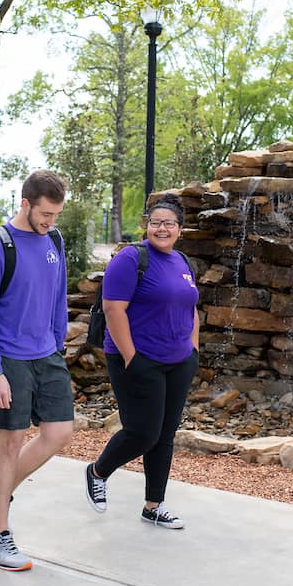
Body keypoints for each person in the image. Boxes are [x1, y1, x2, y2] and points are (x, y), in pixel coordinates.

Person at [0, 170, 72, 571]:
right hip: (8, 358)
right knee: (10, 441)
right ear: (25, 203)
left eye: (56, 215)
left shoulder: (55, 240)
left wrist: (58, 341)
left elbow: (58, 295)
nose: (50, 222)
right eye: (45, 214)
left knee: (59, 433)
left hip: (47, 353)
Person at [83, 194, 199, 529]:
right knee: (143, 433)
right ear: (146, 225)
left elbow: (191, 308)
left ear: (180, 229)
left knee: (165, 435)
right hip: (137, 359)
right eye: (156, 222)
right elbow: (113, 309)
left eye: (169, 223)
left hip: (178, 361)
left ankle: (153, 506)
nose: (162, 228)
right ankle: (97, 472)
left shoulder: (183, 261)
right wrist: (132, 357)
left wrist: (193, 351)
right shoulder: (130, 258)